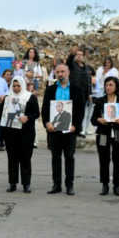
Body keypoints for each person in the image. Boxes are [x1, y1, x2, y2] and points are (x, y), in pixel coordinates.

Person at [42, 63, 85, 195]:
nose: (60, 74)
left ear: (68, 73)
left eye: (63, 71)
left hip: (69, 130)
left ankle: (69, 185)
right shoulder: (50, 90)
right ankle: (56, 185)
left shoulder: (77, 90)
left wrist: (75, 126)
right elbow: (44, 110)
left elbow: (80, 111)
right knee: (55, 157)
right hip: (54, 130)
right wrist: (47, 123)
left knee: (69, 157)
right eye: (58, 72)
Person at [90, 76, 119, 196]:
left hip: (118, 133)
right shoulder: (100, 101)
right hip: (103, 133)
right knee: (104, 159)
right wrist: (99, 120)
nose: (108, 87)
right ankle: (105, 184)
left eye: (111, 85)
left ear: (116, 86)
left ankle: (116, 185)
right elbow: (93, 119)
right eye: (106, 85)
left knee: (118, 159)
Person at [2, 76, 39, 193]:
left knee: (25, 158)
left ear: (22, 85)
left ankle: (26, 184)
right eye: (14, 86)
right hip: (11, 133)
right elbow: (2, 115)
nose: (16, 88)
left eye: (18, 86)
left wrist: (27, 117)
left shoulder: (30, 97)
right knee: (12, 158)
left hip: (26, 133)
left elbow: (36, 113)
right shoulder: (8, 97)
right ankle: (12, 183)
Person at [66, 47, 93, 137]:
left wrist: (89, 93)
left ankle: (78, 130)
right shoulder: (72, 65)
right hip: (73, 92)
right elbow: (68, 60)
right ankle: (69, 128)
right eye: (77, 55)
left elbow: (89, 81)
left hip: (83, 94)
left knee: (81, 113)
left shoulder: (86, 67)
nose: (79, 56)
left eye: (81, 55)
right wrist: (72, 54)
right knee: (72, 111)